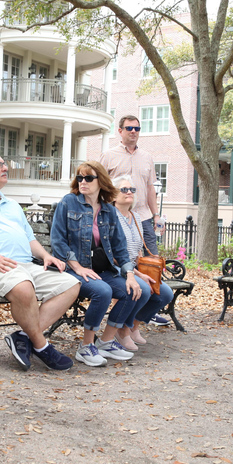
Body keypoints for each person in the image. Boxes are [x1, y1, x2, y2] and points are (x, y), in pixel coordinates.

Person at [0, 150, 80, 371]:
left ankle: (22, 336)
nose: (5, 167)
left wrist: (46, 255)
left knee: (70, 284)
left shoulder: (12, 205)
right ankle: (41, 346)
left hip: (26, 266)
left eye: (4, 164)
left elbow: (30, 239)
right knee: (23, 288)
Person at [51, 161, 144, 366]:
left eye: (88, 178)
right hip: (72, 269)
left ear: (100, 181)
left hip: (101, 268)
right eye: (80, 178)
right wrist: (77, 266)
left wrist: (130, 275)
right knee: (102, 291)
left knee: (134, 290)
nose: (83, 182)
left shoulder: (109, 211)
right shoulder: (68, 203)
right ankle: (86, 347)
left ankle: (106, 342)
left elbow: (120, 248)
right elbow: (57, 241)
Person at [100, 115, 169, 327]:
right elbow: (101, 187)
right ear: (119, 131)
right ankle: (128, 312)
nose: (133, 131)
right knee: (124, 261)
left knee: (151, 265)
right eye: (129, 128)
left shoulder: (147, 157)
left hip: (142, 218)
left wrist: (156, 215)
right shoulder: (108, 156)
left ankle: (144, 311)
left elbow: (150, 188)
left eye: (137, 128)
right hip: (116, 216)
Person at [111, 175, 174, 348]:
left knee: (165, 293)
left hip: (135, 267)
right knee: (144, 289)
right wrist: (136, 274)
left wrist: (146, 269)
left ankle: (133, 327)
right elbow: (113, 254)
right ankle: (122, 330)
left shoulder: (136, 217)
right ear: (113, 195)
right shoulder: (110, 217)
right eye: (124, 189)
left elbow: (139, 249)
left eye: (132, 189)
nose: (129, 192)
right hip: (117, 268)